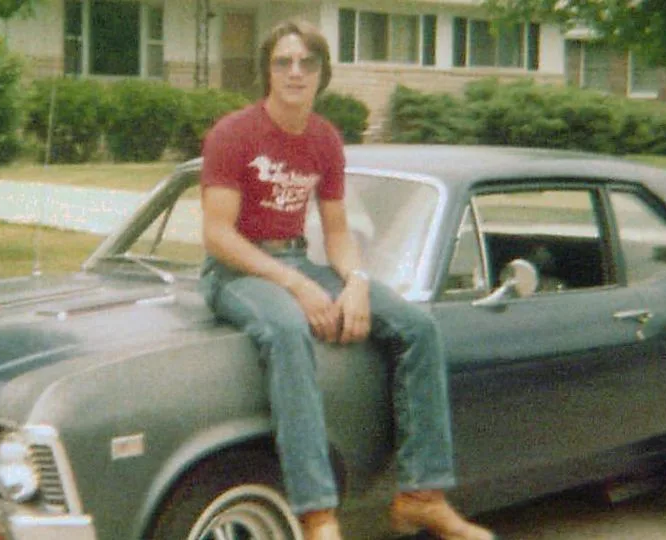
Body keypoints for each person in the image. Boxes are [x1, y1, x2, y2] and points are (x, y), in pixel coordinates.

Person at [199, 19, 497, 540]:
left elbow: (336, 231)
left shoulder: (324, 139)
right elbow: (218, 236)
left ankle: (421, 496)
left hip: (297, 260)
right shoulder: (234, 133)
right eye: (283, 62)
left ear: (322, 74)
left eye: (307, 63)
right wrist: (296, 287)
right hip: (236, 271)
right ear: (266, 71)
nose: (295, 72)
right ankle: (317, 515)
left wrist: (356, 281)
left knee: (416, 327)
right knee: (289, 331)